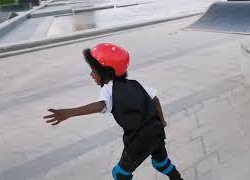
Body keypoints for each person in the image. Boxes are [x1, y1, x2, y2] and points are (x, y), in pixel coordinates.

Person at [43, 43, 183, 180]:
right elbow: (155, 99)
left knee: (120, 174)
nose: (91, 74)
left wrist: (69, 112)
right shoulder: (135, 83)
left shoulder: (108, 90)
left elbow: (100, 105)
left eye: (94, 70)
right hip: (156, 132)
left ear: (105, 72)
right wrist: (162, 120)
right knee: (161, 163)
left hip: (138, 140)